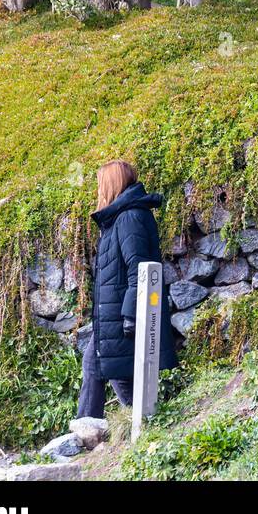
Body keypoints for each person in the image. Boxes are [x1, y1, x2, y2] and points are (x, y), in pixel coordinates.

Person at [75, 160, 178, 420]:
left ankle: (143, 422)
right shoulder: (120, 217)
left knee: (118, 373)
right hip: (114, 314)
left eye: (101, 184)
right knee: (94, 364)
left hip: (124, 316)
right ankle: (87, 431)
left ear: (111, 184)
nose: (98, 191)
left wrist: (132, 315)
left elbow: (139, 268)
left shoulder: (130, 216)